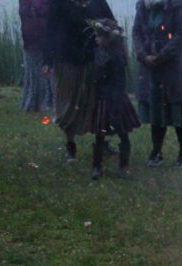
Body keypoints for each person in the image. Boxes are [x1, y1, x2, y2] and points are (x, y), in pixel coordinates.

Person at [43, 0, 115, 162]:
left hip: (92, 59)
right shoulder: (59, 4)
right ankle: (70, 145)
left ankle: (101, 141)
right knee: (67, 103)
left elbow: (111, 23)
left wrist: (107, 35)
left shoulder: (98, 2)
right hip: (66, 58)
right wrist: (47, 60)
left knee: (97, 103)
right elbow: (50, 30)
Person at [133, 0, 182, 168]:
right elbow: (136, 33)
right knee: (156, 110)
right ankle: (156, 151)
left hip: (174, 66)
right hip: (149, 67)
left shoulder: (177, 6)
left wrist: (161, 56)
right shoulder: (142, 6)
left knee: (179, 109)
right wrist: (143, 55)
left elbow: (180, 36)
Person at [87, 18, 139, 180]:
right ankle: (96, 167)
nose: (96, 38)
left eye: (99, 36)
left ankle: (124, 167)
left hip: (115, 99)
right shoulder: (99, 52)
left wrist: (115, 103)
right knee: (100, 134)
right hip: (102, 98)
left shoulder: (117, 58)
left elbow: (118, 82)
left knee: (123, 133)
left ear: (108, 39)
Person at [18, 0, 54, 112]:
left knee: (46, 70)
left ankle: (47, 101)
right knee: (33, 72)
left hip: (44, 36)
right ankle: (36, 101)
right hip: (32, 36)